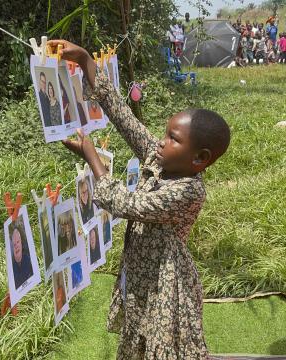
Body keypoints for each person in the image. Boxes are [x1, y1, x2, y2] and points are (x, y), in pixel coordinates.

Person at [51, 39, 230, 359]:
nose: (161, 143)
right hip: (139, 278)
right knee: (136, 343)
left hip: (165, 284)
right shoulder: (160, 159)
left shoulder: (189, 190)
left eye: (172, 139)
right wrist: (86, 61)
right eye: (164, 134)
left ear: (199, 158)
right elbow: (124, 118)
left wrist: (94, 161)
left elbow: (127, 205)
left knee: (162, 349)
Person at [11, 220, 34, 289]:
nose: (16, 246)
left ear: (21, 243)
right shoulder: (12, 266)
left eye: (18, 242)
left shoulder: (28, 259)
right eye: (14, 244)